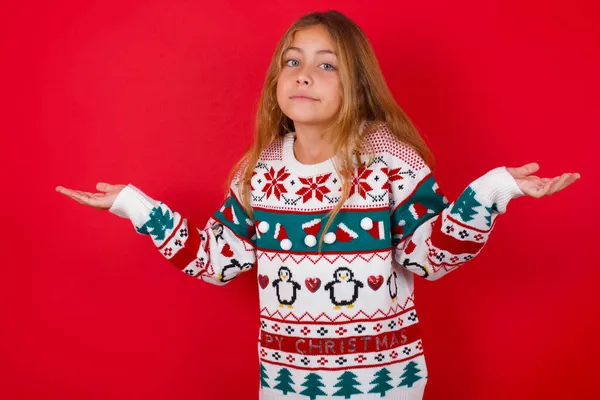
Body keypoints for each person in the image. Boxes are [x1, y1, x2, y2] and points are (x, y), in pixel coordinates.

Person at [55, 9, 580, 400]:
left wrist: (493, 191)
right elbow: (215, 262)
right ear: (277, 81)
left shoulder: (388, 159)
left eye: (326, 65)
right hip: (285, 383)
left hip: (383, 382)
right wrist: (133, 204)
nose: (303, 74)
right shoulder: (259, 172)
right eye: (293, 61)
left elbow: (429, 257)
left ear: (358, 84)